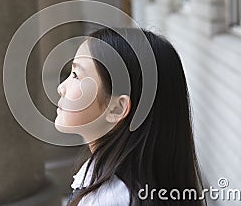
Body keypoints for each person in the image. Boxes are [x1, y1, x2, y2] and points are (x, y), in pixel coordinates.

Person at [55, 27, 206, 206]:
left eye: (75, 75)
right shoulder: (145, 184)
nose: (61, 88)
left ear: (117, 109)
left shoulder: (107, 200)